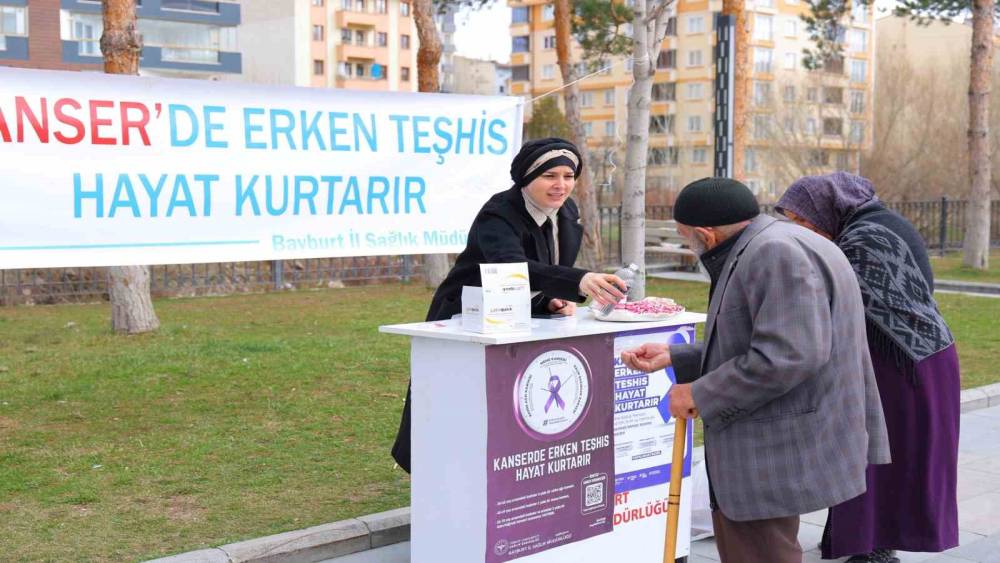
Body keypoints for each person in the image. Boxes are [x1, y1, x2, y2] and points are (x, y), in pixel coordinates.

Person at [620, 177, 890, 563]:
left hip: (772, 448)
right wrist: (677, 357)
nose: (687, 247)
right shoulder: (781, 240)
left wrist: (699, 393)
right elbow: (761, 336)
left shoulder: (772, 253)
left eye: (685, 239)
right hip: (790, 432)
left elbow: (789, 355)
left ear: (705, 234)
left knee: (759, 552)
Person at [390, 137, 628, 473]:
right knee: (448, 403)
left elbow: (544, 268)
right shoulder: (498, 213)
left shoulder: (568, 212)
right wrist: (577, 280)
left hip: (520, 320)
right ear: (527, 178)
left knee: (512, 402)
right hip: (464, 317)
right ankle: (434, 473)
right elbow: (509, 269)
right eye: (550, 176)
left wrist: (550, 300)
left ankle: (496, 475)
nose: (561, 185)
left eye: (568, 176)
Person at [776, 172, 960, 563]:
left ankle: (873, 547)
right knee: (866, 453)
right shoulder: (878, 223)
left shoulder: (864, 240)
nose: (801, 230)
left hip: (903, 363)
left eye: (803, 220)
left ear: (826, 210)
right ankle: (853, 536)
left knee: (879, 456)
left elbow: (834, 306)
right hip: (913, 354)